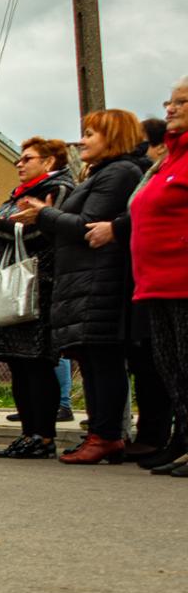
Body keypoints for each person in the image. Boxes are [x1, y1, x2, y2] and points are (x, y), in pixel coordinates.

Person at [13, 109, 148, 465]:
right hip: (82, 279)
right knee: (90, 360)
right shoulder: (99, 174)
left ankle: (106, 435)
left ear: (114, 136)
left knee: (103, 361)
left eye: (91, 134)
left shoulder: (120, 172)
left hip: (100, 277)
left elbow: (88, 225)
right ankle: (100, 433)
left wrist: (43, 214)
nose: (83, 141)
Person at [0, 138, 73, 459]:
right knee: (17, 364)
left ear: (50, 161)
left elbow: (45, 235)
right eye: (19, 159)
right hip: (9, 283)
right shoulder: (17, 197)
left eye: (28, 158)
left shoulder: (59, 191)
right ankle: (28, 432)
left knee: (36, 364)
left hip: (38, 284)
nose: (19, 164)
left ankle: (43, 435)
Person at [103, 79, 188, 476]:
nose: (170, 109)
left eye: (182, 102)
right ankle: (181, 441)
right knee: (172, 369)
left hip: (182, 278)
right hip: (156, 281)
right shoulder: (168, 159)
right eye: (169, 102)